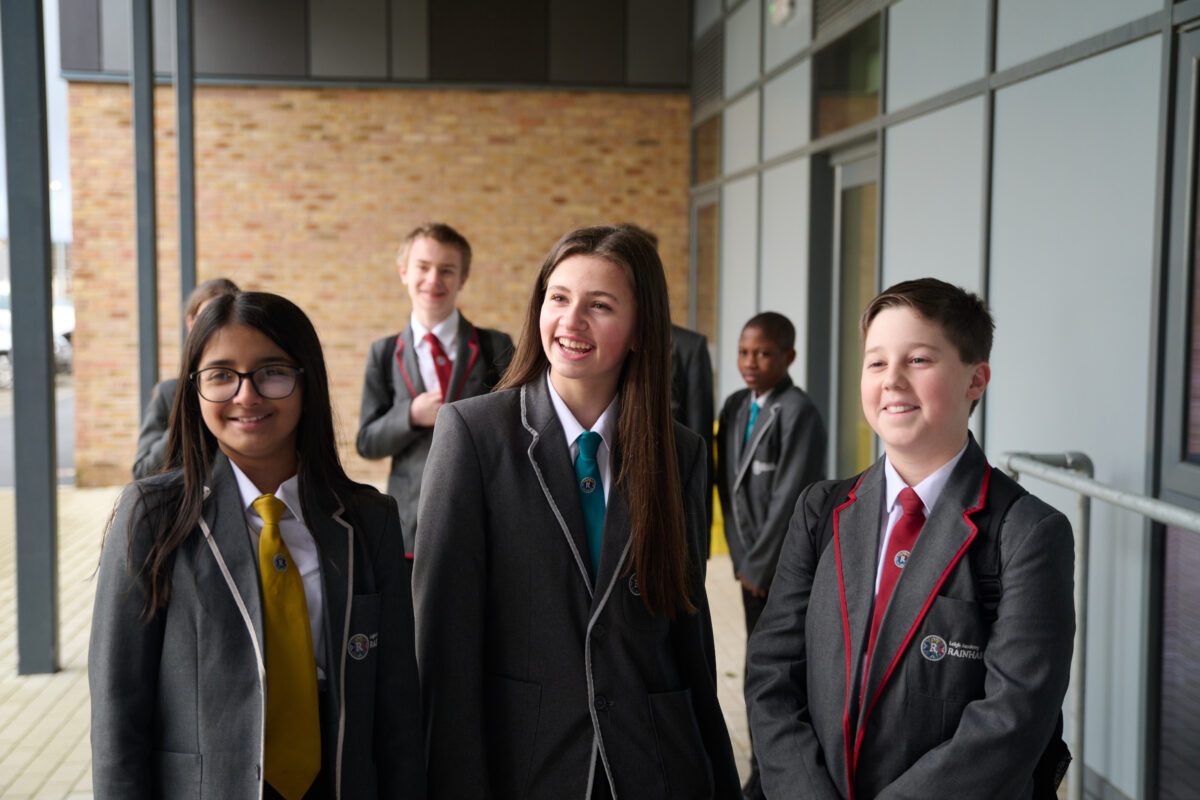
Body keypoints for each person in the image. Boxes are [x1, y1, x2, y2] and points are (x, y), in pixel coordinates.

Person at [413, 225, 740, 799]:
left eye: (600, 305)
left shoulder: (680, 451)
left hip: (654, 766)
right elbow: (443, 646)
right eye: (558, 298)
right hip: (525, 766)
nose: (571, 320)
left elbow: (690, 639)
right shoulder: (473, 434)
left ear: (641, 329)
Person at [745, 278, 1075, 798]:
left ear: (976, 380)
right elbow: (771, 674)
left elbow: (1013, 720)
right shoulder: (821, 511)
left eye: (918, 360)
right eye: (876, 362)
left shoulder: (1027, 534)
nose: (892, 380)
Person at [90, 292, 424, 800]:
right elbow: (118, 711)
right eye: (222, 375)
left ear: (306, 383)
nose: (247, 395)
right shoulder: (152, 518)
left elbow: (396, 705)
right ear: (195, 390)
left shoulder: (368, 520)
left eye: (272, 372)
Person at [715, 311, 825, 799]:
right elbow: (727, 488)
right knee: (758, 664)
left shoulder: (799, 412)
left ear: (789, 357)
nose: (750, 362)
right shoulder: (738, 404)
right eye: (743, 352)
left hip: (778, 567)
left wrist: (759, 565)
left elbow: (790, 499)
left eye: (762, 353)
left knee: (777, 670)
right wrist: (741, 559)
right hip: (748, 564)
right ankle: (761, 768)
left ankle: (770, 775)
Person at [357, 222, 513, 562]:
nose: (433, 280)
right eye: (423, 267)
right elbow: (367, 442)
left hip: (483, 515)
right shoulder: (383, 354)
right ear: (403, 272)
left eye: (447, 270)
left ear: (463, 279)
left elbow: (516, 430)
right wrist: (410, 415)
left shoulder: (495, 346)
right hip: (409, 524)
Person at [133, 277, 240, 478]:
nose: (216, 328)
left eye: (226, 317)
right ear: (191, 324)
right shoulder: (169, 393)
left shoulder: (248, 393)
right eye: (207, 317)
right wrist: (186, 414)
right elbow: (143, 472)